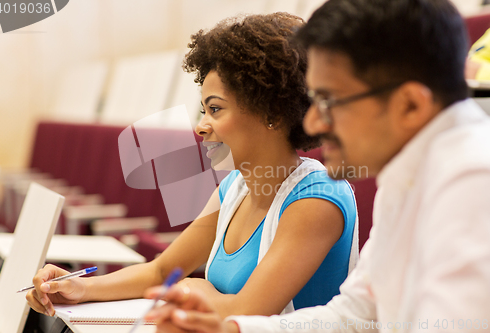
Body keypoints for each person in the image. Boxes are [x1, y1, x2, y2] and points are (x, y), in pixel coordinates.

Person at [144, 0, 490, 332]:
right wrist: (231, 328)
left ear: (410, 105)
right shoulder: (406, 174)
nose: (311, 122)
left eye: (327, 100)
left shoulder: (474, 183)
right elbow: (354, 317)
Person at [26, 12, 358, 320]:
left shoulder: (318, 197)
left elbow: (246, 313)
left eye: (215, 109)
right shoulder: (234, 188)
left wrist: (191, 287)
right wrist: (79, 289)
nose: (200, 125)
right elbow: (162, 271)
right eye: (203, 110)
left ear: (271, 113)